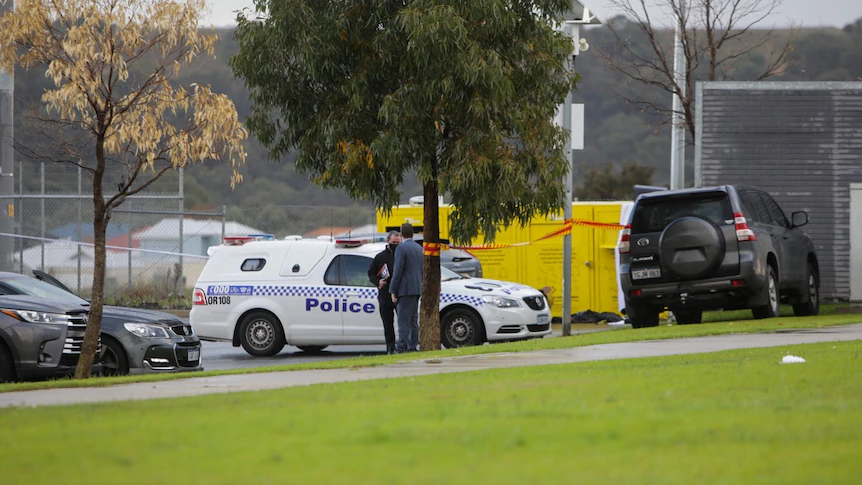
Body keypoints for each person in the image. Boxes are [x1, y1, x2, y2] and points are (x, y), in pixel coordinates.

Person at [389, 223, 423, 353]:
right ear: (412, 234)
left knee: (403, 320)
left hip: (405, 288)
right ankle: (412, 345)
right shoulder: (418, 248)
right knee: (413, 319)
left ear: (401, 234)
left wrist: (393, 290)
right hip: (416, 287)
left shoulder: (401, 248)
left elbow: (398, 271)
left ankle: (401, 347)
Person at [367, 230, 401, 354]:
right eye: (393, 242)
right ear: (388, 241)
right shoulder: (380, 257)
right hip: (385, 294)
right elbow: (370, 273)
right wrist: (378, 282)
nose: (396, 245)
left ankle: (403, 345)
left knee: (402, 322)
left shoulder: (401, 255)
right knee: (388, 323)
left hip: (399, 294)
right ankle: (390, 347)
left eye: (398, 242)